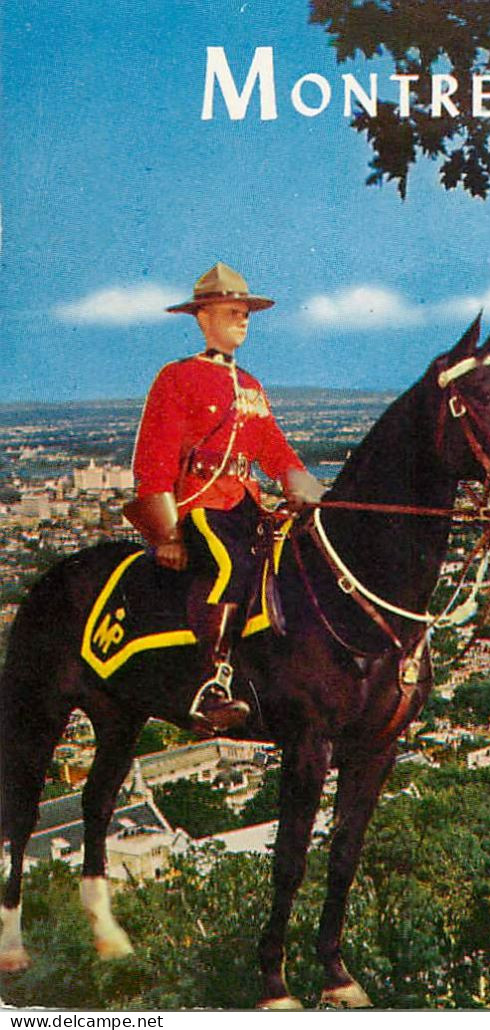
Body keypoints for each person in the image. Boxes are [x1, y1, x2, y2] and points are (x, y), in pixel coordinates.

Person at [124, 262, 324, 736]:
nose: (243, 320)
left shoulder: (252, 386)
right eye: (233, 311)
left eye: (246, 313)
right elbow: (153, 458)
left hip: (245, 505)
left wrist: (313, 492)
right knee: (230, 566)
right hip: (199, 504)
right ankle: (210, 683)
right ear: (203, 318)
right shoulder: (177, 377)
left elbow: (275, 450)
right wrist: (167, 533)